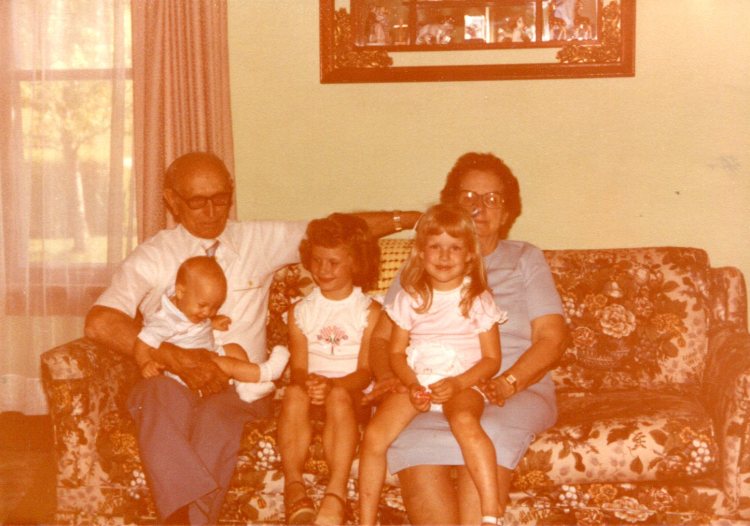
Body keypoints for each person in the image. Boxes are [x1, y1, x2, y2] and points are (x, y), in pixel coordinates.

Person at [84, 151, 419, 525]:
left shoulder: (257, 240)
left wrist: (411, 219)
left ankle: (185, 521)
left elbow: (337, 231)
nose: (212, 211)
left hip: (238, 386)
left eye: (220, 198)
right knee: (155, 397)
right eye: (197, 202)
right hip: (171, 376)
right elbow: (100, 322)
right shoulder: (152, 256)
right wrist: (173, 355)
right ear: (172, 201)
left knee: (216, 421)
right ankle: (182, 518)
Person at [366, 152, 569, 525]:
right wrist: (392, 379)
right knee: (412, 438)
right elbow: (381, 340)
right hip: (429, 390)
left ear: (507, 213)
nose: (479, 207)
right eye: (468, 197)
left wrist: (508, 382)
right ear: (451, 206)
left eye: (493, 198)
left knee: (488, 430)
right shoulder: (422, 265)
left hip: (511, 390)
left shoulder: (524, 258)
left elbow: (552, 338)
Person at [358, 204, 507, 526]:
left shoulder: (477, 299)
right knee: (374, 435)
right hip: (418, 380)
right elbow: (396, 353)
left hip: (463, 381)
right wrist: (411, 384)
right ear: (420, 252)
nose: (444, 256)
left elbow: (492, 359)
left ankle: (491, 511)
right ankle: (364, 520)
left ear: (470, 255)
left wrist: (458, 383)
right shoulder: (410, 297)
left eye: (454, 248)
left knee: (465, 421)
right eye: (435, 247)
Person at [278, 214, 381, 526]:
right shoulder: (301, 311)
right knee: (293, 394)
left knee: (337, 397)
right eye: (317, 260)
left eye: (333, 263)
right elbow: (298, 368)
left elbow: (366, 372)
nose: (323, 270)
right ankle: (294, 488)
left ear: (356, 264)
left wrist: (333, 385)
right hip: (313, 391)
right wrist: (309, 383)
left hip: (352, 396)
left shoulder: (369, 311)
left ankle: (335, 495)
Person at [134, 256, 290, 401]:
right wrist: (145, 363)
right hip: (190, 370)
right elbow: (141, 343)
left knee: (234, 349)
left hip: (208, 352)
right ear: (180, 292)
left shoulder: (189, 308)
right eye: (203, 305)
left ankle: (246, 387)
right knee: (228, 364)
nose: (208, 312)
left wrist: (211, 323)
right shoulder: (164, 321)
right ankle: (266, 372)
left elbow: (194, 326)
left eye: (215, 307)